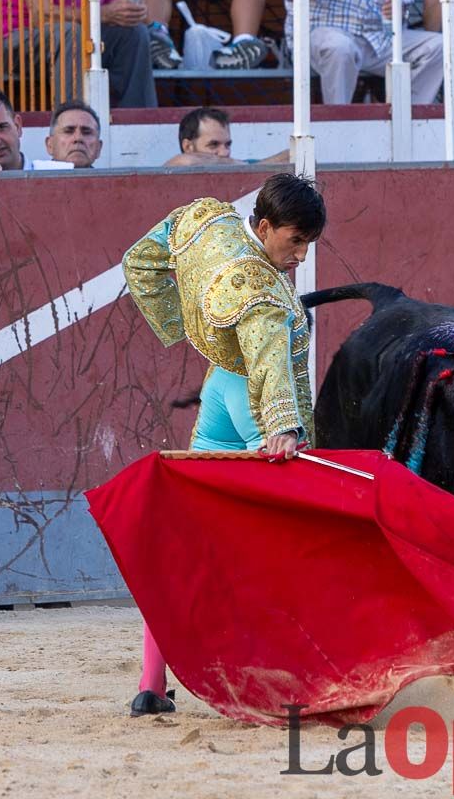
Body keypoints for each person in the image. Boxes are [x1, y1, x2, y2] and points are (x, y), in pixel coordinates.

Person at [121, 173, 327, 716]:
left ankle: (151, 681)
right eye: (294, 240)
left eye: (309, 243)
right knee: (289, 543)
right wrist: (281, 426)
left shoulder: (209, 220)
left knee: (184, 539)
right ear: (262, 226)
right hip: (253, 402)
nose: (301, 255)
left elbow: (140, 261)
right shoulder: (259, 290)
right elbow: (266, 359)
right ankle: (290, 680)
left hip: (218, 392)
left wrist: (179, 322)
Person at [0, 0, 158, 109]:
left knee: (134, 32)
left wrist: (132, 13)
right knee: (74, 34)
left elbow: (120, 12)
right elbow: (41, 15)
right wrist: (102, 14)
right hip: (15, 39)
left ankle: (139, 122)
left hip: (75, 41)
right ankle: (73, 126)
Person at [291, 0, 444, 105]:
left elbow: (402, 7)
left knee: (439, 45)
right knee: (340, 48)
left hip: (382, 38)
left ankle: (406, 121)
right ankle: (337, 126)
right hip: (329, 30)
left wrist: (398, 10)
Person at [165, 107, 289, 166]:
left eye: (227, 144)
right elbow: (185, 161)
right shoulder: (177, 164)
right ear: (188, 146)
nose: (224, 152)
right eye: (213, 145)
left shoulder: (239, 163)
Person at [45, 101, 103, 168]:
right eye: (68, 131)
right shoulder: (32, 178)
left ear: (99, 148)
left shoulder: (113, 179)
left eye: (86, 132)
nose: (78, 138)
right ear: (50, 145)